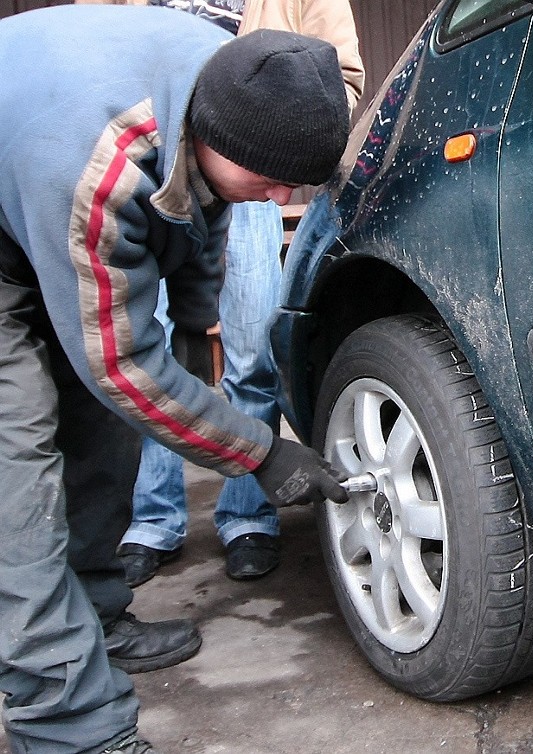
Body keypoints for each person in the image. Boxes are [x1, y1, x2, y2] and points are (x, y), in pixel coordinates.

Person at [0, 4, 350, 752]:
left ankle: (94, 617)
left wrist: (196, 330)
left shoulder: (223, 86)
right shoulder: (100, 168)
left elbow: (203, 209)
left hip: (38, 177)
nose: (281, 202)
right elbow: (126, 370)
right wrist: (260, 450)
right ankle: (70, 730)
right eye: (272, 181)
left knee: (103, 432)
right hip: (28, 193)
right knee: (17, 487)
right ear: (213, 138)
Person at [89, 0, 365, 586]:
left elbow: (344, 75)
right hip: (155, 167)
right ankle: (152, 519)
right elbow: (103, 57)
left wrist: (275, 129)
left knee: (252, 351)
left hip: (252, 174)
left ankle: (248, 514)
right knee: (145, 350)